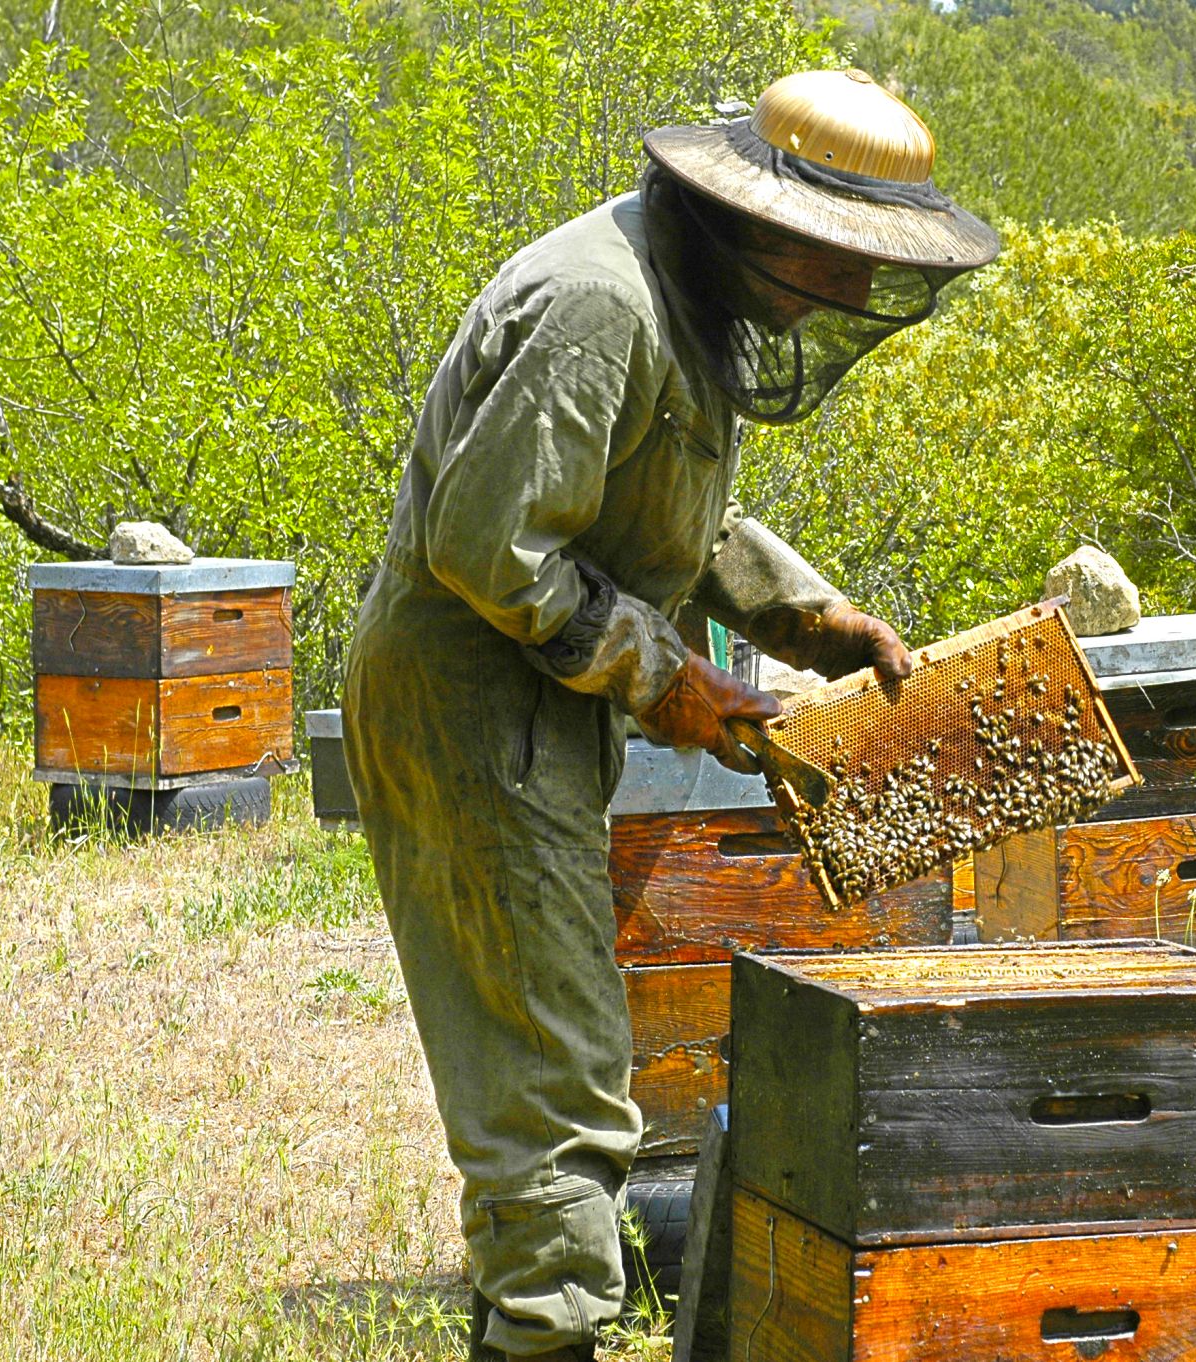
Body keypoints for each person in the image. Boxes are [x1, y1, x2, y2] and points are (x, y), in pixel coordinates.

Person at [340, 69, 999, 1360]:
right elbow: (488, 545)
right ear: (770, 223)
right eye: (846, 260)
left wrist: (813, 622)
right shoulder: (603, 304)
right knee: (563, 1108)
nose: (859, 293)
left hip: (523, 719)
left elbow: (671, 518)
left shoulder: (676, 306)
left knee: (560, 1093)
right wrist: (669, 680)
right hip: (473, 719)